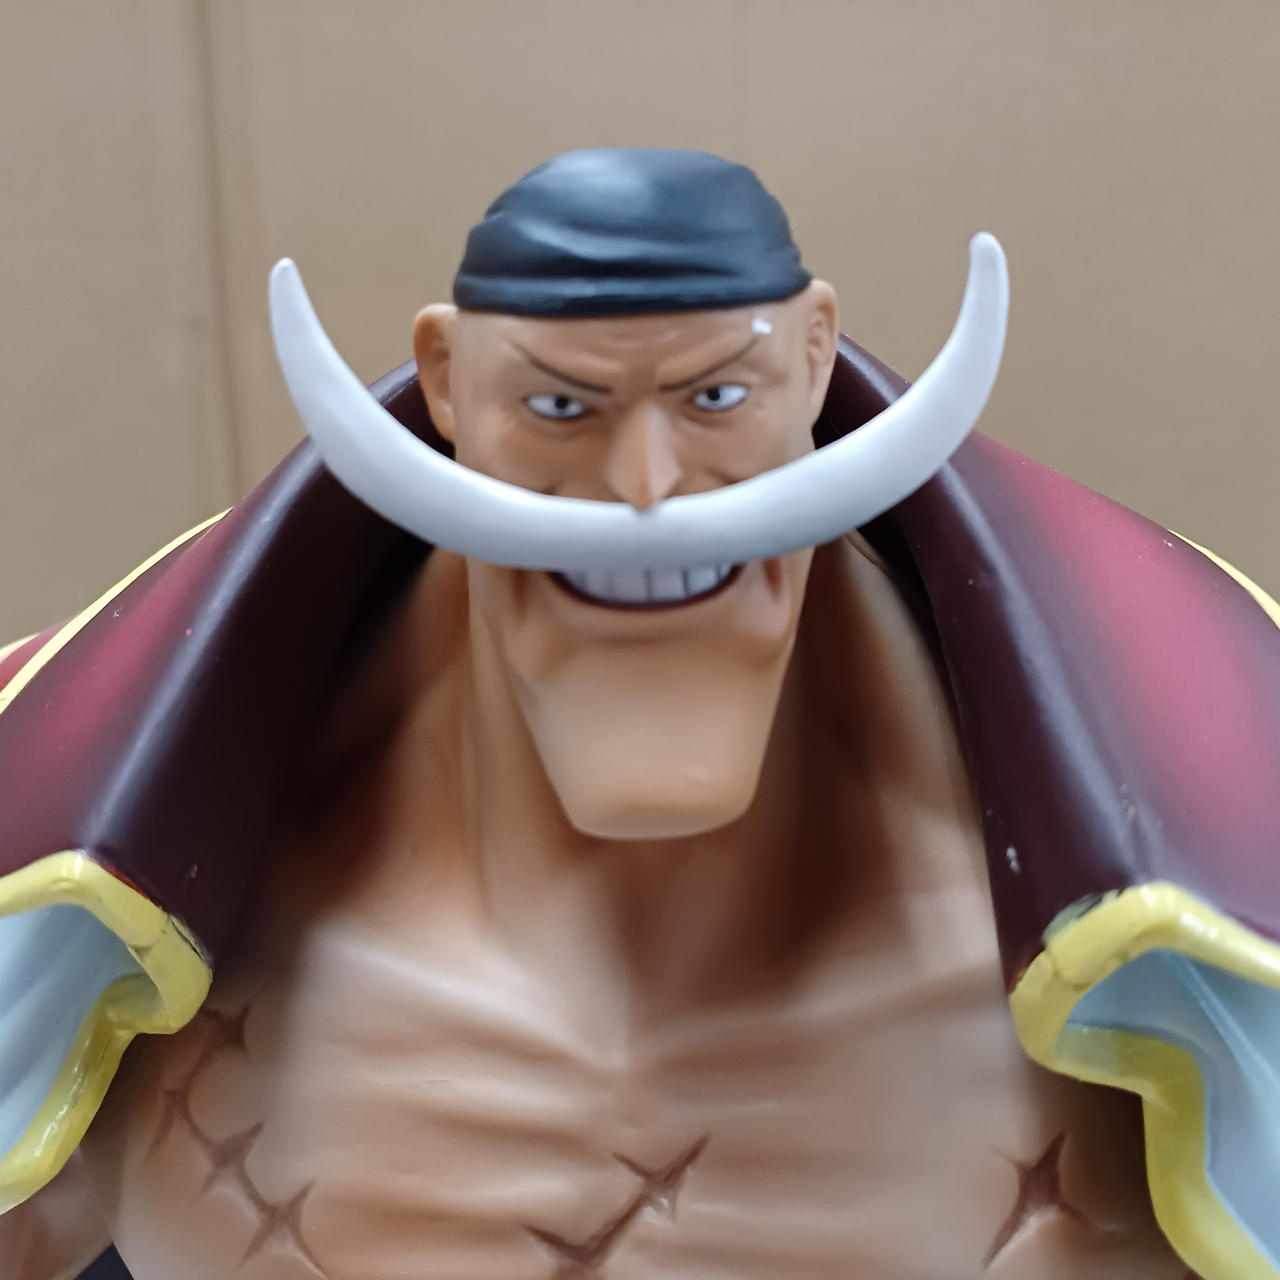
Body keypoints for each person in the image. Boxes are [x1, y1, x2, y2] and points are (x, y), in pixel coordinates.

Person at [2, 149, 1277, 1279]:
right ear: (444, 383)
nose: (646, 490)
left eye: (713, 398)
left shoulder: (1204, 907)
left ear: (814, 358)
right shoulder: (63, 907)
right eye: (561, 406)